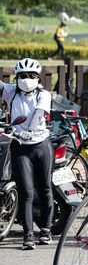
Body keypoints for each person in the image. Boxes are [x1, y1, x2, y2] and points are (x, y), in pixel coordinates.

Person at [1, 58, 53, 250]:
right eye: (22, 76)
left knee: (45, 188)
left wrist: (30, 130)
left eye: (31, 76)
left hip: (41, 145)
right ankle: (28, 235)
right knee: (26, 192)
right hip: (19, 146)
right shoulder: (11, 92)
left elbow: (39, 114)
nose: (27, 79)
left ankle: (46, 230)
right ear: (17, 78)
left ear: (38, 78)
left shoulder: (44, 94)